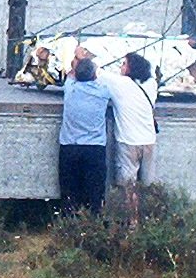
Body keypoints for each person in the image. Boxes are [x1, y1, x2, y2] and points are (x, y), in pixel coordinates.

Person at [102, 53, 158, 222]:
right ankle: (150, 218)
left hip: (128, 142)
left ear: (131, 69)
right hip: (149, 140)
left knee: (128, 186)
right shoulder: (151, 84)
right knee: (147, 184)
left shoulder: (119, 84)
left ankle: (132, 223)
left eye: (124, 64)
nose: (121, 67)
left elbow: (96, 72)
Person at [57, 57, 110, 214]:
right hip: (95, 148)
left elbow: (70, 74)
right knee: (95, 191)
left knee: (68, 190)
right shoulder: (103, 92)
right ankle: (93, 222)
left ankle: (68, 223)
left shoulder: (70, 89)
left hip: (70, 146)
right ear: (94, 75)